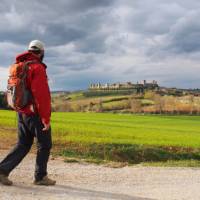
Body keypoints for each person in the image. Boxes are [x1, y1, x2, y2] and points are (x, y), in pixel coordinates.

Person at [0, 40, 56, 186]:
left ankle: (2, 171)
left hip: (21, 112)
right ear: (41, 53)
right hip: (34, 114)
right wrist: (45, 118)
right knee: (45, 144)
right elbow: (41, 95)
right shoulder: (37, 68)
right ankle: (40, 177)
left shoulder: (18, 66)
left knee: (23, 143)